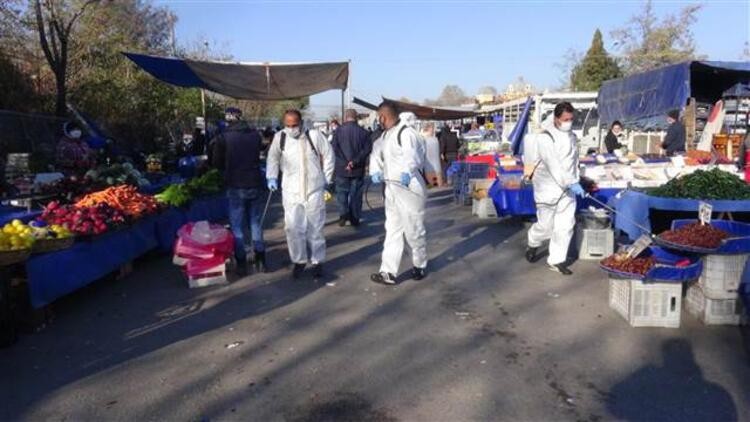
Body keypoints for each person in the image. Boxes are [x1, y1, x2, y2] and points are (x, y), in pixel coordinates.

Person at [266, 109, 335, 279]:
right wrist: (271, 177)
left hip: (314, 190)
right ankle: (299, 261)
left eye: (294, 125)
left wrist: (327, 179)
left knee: (315, 229)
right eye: (287, 125)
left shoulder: (314, 136)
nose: (291, 129)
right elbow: (273, 158)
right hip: (291, 191)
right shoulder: (280, 138)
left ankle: (317, 261)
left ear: (301, 123)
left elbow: (329, 155)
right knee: (292, 228)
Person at [369, 102, 428, 285]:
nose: (378, 121)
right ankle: (388, 272)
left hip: (410, 189)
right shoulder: (385, 136)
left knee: (413, 230)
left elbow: (415, 157)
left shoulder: (407, 133)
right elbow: (375, 155)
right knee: (392, 230)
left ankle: (419, 264)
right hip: (392, 189)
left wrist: (407, 171)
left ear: (383, 117)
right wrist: (375, 171)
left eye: (379, 117)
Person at [525, 102, 585, 276]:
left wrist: (577, 180)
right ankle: (533, 241)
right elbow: (554, 165)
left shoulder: (572, 137)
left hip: (568, 189)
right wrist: (569, 182)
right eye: (565, 119)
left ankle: (557, 260)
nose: (569, 122)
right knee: (546, 226)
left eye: (571, 119)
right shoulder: (545, 138)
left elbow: (573, 162)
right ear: (557, 118)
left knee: (565, 225)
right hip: (548, 187)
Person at [212, 107, 267, 275]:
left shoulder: (223, 138)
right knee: (255, 223)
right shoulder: (254, 135)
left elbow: (216, 162)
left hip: (235, 184)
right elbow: (259, 153)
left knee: (237, 227)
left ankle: (242, 262)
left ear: (227, 120)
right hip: (254, 182)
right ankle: (260, 259)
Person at [332, 109, 372, 227]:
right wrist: (354, 162)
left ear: (345, 117)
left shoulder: (338, 132)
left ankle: (343, 215)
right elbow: (367, 150)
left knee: (341, 193)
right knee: (356, 194)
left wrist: (346, 163)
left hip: (341, 169)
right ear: (356, 118)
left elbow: (334, 149)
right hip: (357, 169)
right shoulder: (364, 132)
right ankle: (355, 217)